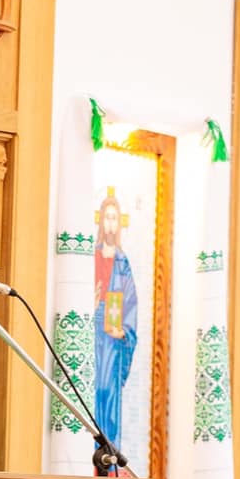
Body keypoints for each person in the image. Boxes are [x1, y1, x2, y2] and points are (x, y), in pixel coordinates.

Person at [93, 192, 137, 455]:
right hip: (92, 334)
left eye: (114, 219)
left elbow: (130, 301)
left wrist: (124, 331)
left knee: (108, 393)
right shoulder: (92, 257)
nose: (110, 224)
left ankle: (109, 460)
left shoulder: (122, 262)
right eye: (107, 218)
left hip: (112, 339)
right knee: (92, 390)